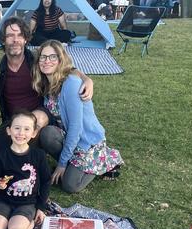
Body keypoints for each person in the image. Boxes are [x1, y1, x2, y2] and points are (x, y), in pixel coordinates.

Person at [0, 16, 93, 153]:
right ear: (3, 40)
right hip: (13, 122)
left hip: (41, 116)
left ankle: (31, 154)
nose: (15, 40)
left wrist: (86, 79)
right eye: (10, 36)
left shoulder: (37, 62)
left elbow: (66, 69)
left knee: (32, 127)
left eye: (20, 35)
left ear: (25, 39)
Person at [31, 41, 124, 193]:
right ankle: (73, 165)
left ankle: (105, 160)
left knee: (70, 186)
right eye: (43, 57)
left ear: (61, 61)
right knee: (47, 134)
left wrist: (61, 164)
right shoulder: (47, 85)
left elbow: (76, 128)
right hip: (69, 137)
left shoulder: (71, 83)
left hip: (87, 142)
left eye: (52, 57)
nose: (47, 61)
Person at [0, 111, 50, 229]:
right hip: (4, 200)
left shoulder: (38, 155)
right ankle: (7, 219)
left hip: (27, 202)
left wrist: (41, 207)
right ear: (9, 131)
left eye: (26, 129)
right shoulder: (1, 155)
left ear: (34, 133)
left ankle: (30, 223)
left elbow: (46, 181)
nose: (21, 133)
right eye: (17, 128)